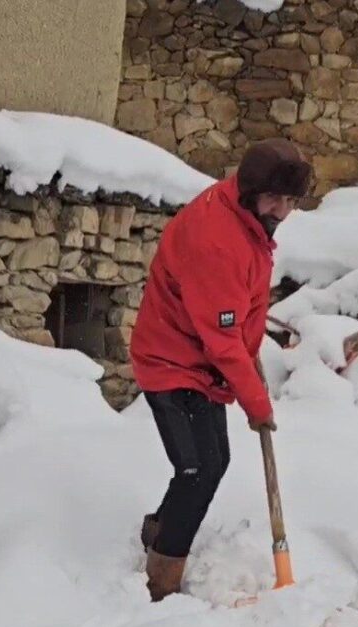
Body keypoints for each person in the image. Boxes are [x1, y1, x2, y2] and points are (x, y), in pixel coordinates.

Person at [129, 138, 312, 602]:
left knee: (212, 463)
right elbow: (221, 337)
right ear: (250, 190)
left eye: (291, 201)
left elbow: (236, 315)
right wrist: (256, 401)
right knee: (198, 470)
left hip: (202, 361)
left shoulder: (247, 220)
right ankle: (161, 581)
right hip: (172, 361)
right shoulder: (218, 240)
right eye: (275, 198)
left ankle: (157, 531)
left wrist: (249, 352)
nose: (282, 210)